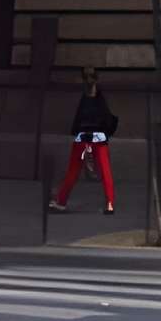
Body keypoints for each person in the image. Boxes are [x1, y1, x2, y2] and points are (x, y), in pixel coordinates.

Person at [52, 69, 119, 214]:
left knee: (73, 171)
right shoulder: (101, 100)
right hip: (99, 139)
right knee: (106, 171)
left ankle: (61, 202)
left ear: (83, 80)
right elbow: (107, 119)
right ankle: (110, 204)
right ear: (96, 80)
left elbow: (77, 122)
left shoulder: (84, 100)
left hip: (83, 139)